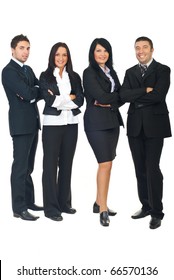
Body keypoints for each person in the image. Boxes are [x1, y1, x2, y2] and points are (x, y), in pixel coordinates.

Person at [120, 36, 172, 229]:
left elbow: (159, 95)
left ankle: (157, 212)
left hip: (155, 126)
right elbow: (124, 95)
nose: (140, 51)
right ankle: (146, 205)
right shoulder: (130, 72)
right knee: (139, 169)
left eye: (144, 47)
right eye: (137, 48)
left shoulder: (163, 70)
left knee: (152, 168)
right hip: (134, 126)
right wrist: (144, 90)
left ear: (152, 49)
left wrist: (137, 97)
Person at [39, 42, 84, 221]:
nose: (61, 58)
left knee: (66, 164)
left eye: (64, 55)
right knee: (50, 167)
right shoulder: (45, 76)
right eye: (58, 54)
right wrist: (68, 98)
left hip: (72, 124)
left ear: (68, 57)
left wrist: (60, 98)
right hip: (52, 125)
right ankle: (51, 208)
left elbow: (80, 100)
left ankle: (64, 203)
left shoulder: (74, 76)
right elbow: (49, 100)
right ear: (52, 56)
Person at [1, 34, 44, 221]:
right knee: (20, 167)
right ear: (13, 49)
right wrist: (31, 93)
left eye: (27, 48)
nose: (25, 52)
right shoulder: (8, 71)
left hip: (33, 123)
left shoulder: (28, 69)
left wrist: (31, 93)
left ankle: (28, 201)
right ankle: (18, 208)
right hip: (20, 125)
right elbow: (28, 93)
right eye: (21, 48)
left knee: (29, 167)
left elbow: (38, 89)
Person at [83, 38, 124, 227]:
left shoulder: (111, 71)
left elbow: (121, 96)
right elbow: (99, 96)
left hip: (113, 122)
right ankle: (103, 209)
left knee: (108, 164)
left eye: (105, 50)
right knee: (105, 163)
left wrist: (109, 101)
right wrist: (107, 99)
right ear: (93, 53)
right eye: (99, 50)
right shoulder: (89, 72)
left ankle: (99, 201)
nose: (102, 54)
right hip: (96, 123)